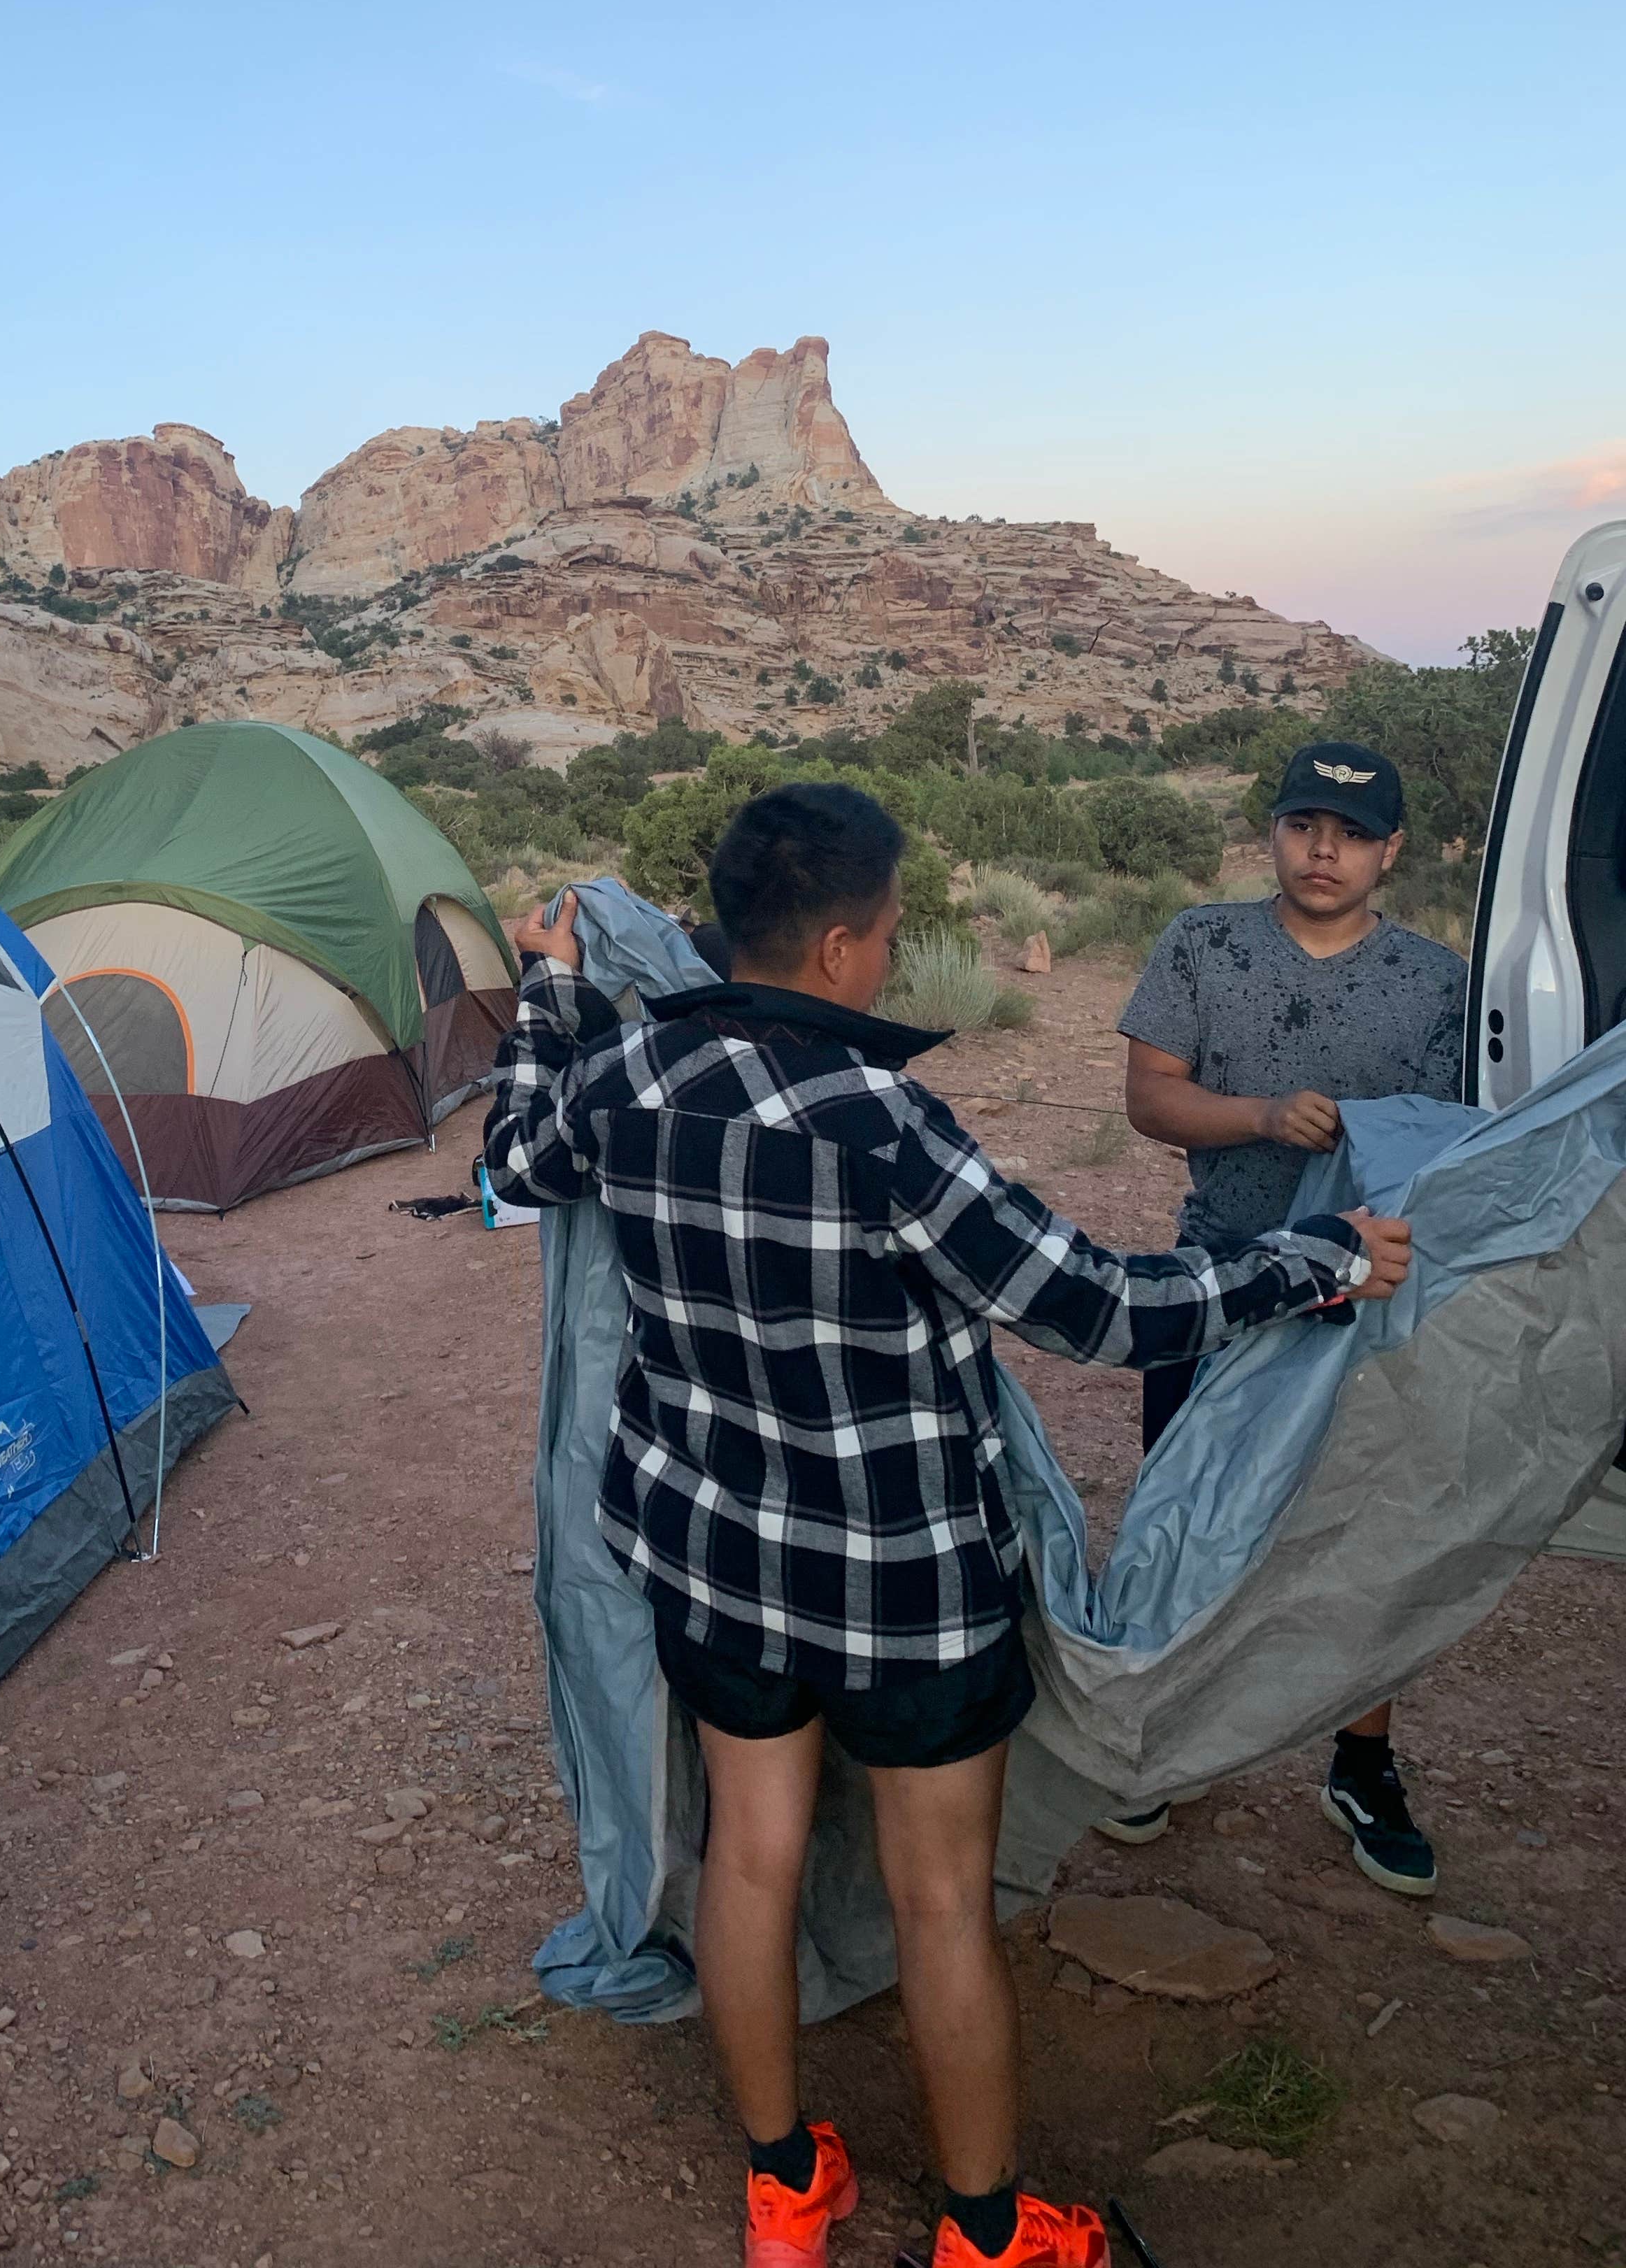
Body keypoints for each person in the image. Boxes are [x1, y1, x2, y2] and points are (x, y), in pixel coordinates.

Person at [485, 782, 1411, 2268]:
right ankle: (988, 2234)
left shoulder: (628, 1077)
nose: (892, 953)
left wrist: (546, 990)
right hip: (905, 1587)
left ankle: (785, 2192)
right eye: (892, 932)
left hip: (713, 1561)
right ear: (841, 948)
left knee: (750, 1860)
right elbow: (1098, 1308)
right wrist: (1317, 1261)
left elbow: (514, 1157)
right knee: (941, 1903)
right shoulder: (881, 1123)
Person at [1108, 741, 1465, 1896]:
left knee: (1363, 1533)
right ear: (1272, 831)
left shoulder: (1438, 982)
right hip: (1218, 1277)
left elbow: (1455, 1145)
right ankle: (1156, 1738)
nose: (1325, 852)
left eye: (1353, 835)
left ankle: (1362, 1764)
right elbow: (1150, 1096)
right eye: (1306, 826)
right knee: (1184, 1508)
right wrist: (1262, 1116)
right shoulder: (1201, 943)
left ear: (1391, 851)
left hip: (1369, 1294)